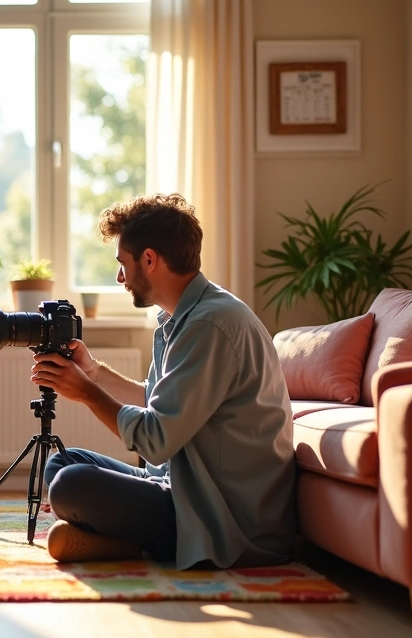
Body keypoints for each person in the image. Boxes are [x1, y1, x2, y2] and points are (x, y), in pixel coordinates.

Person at [30, 193, 295, 569]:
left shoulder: (210, 325)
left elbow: (155, 440)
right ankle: (114, 543)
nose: (120, 277)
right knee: (63, 463)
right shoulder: (184, 318)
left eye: (123, 263)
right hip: (182, 485)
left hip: (219, 517)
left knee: (71, 485)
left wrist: (87, 393)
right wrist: (94, 373)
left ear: (150, 259)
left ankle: (116, 542)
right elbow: (158, 402)